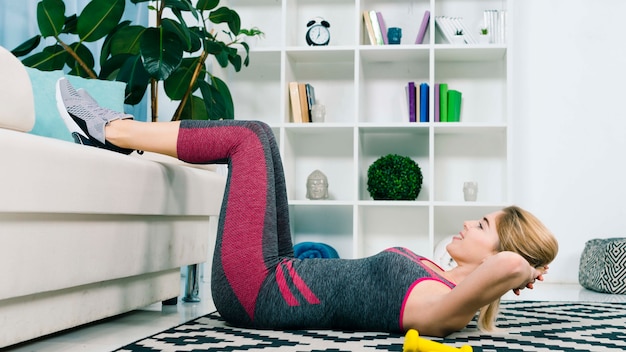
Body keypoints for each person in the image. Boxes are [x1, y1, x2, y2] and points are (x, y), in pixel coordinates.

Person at [55, 78, 558, 337]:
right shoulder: (442, 282)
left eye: (484, 224)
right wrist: (513, 269)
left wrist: (521, 269)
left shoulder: (441, 309)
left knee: (247, 139)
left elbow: (510, 266)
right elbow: (508, 265)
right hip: (280, 270)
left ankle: (110, 129)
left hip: (253, 289)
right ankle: (112, 135)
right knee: (266, 138)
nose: (470, 222)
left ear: (500, 253)